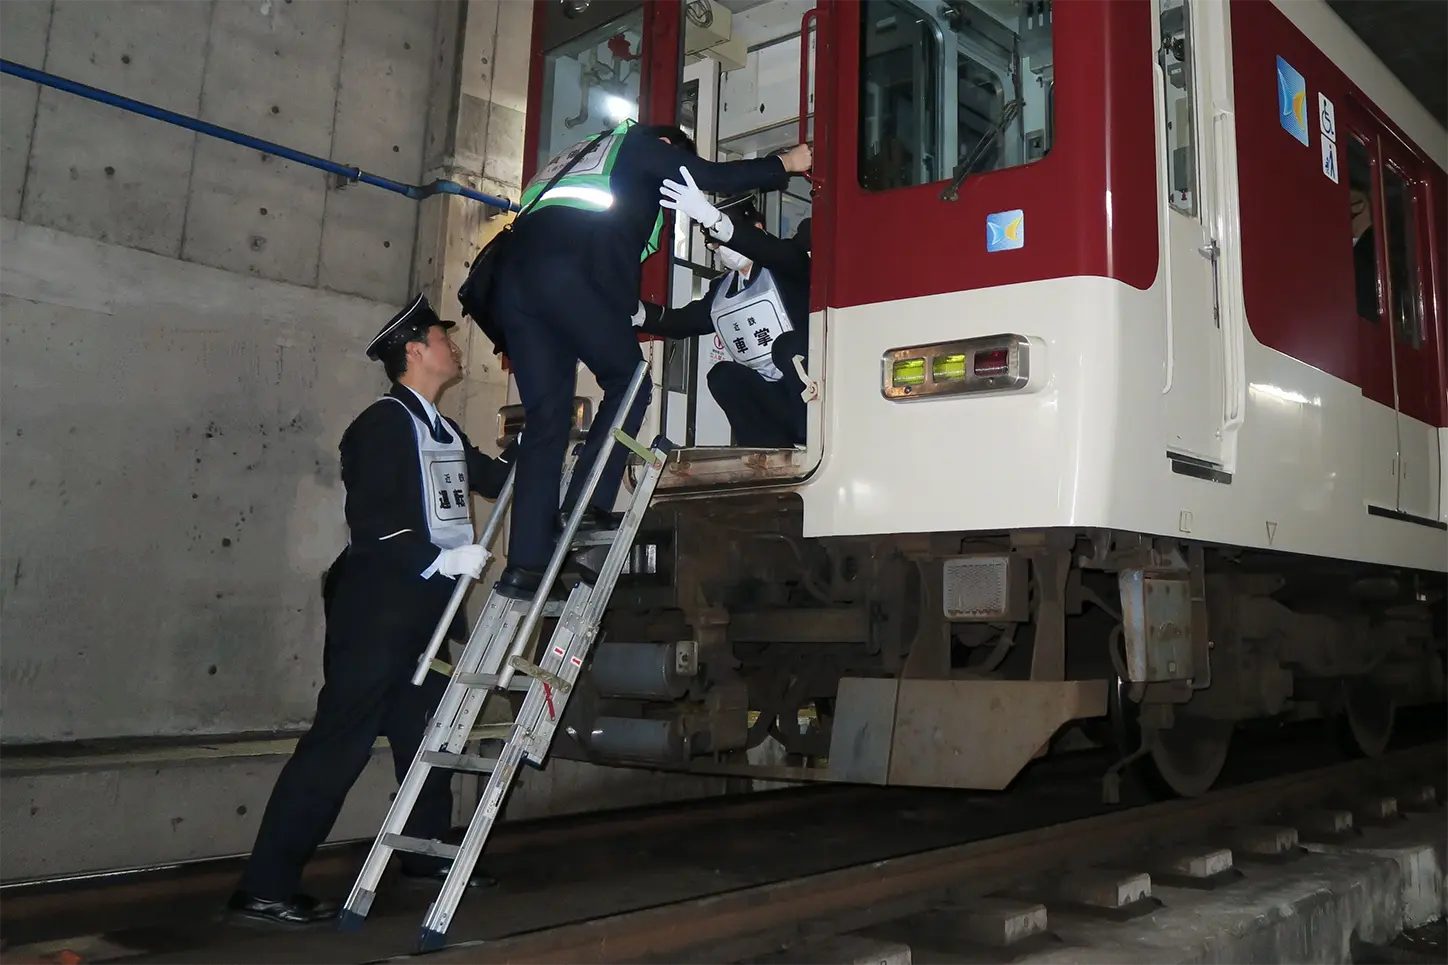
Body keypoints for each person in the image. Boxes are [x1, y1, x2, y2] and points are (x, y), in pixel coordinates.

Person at [226, 293, 514, 926]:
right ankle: (265, 887)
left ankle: (424, 852)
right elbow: (374, 523)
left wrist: (553, 442)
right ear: (415, 351)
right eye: (443, 336)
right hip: (379, 612)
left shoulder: (439, 427)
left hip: (423, 615)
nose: (453, 346)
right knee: (340, 744)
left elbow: (493, 477)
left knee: (426, 734)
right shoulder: (383, 423)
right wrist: (439, 561)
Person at [487, 119, 813, 598]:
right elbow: (709, 175)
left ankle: (527, 564)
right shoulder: (640, 147)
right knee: (631, 380)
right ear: (668, 147)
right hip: (567, 281)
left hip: (512, 292)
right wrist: (785, 163)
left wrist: (638, 311)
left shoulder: (572, 161)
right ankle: (587, 505)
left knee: (545, 421)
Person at [635, 181, 812, 447]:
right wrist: (636, 313)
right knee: (722, 375)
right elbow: (685, 321)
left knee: (786, 346)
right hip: (773, 398)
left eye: (726, 239)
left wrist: (718, 222)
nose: (723, 249)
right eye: (715, 244)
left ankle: (810, 434)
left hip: (812, 396)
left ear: (757, 230)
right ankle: (759, 449)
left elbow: (780, 253)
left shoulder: (785, 265)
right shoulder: (721, 290)